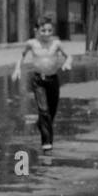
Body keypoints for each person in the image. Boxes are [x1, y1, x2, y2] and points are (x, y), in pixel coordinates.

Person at [11, 19, 72, 152]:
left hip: (53, 80)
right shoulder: (31, 43)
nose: (46, 33)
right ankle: (47, 143)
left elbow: (69, 56)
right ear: (36, 31)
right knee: (44, 110)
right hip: (38, 81)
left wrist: (67, 63)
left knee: (51, 113)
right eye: (43, 30)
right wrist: (17, 68)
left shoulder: (56, 43)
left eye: (49, 30)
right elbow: (21, 55)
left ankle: (41, 123)